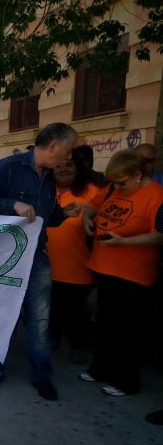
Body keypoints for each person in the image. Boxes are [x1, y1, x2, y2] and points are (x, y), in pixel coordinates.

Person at [0, 122, 81, 401]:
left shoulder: (49, 177)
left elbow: (46, 217)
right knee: (0, 314)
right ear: (54, 145)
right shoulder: (8, 167)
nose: (68, 156)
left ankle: (41, 376)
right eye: (68, 149)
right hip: (5, 256)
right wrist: (13, 205)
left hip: (36, 257)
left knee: (40, 319)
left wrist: (63, 214)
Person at [80, 149, 163, 396]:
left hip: (134, 274)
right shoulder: (112, 189)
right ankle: (100, 368)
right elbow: (92, 207)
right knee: (106, 323)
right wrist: (87, 218)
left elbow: (160, 234)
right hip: (106, 267)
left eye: (122, 183)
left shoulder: (157, 196)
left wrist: (123, 242)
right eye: (114, 183)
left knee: (130, 330)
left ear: (137, 175)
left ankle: (127, 380)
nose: (117, 187)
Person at [45, 154, 100, 364]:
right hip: (47, 264)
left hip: (79, 264)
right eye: (58, 165)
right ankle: (52, 340)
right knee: (52, 308)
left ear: (78, 169)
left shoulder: (93, 193)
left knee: (78, 311)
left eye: (69, 164)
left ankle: (79, 346)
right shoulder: (46, 191)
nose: (63, 169)